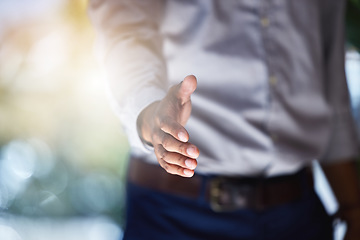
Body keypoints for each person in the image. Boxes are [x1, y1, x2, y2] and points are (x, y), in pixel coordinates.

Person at [89, 0, 360, 239]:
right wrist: (151, 114)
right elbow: (124, 31)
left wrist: (353, 206)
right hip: (176, 214)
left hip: (298, 212)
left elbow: (330, 82)